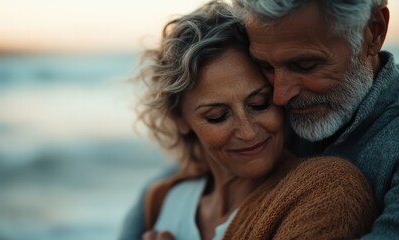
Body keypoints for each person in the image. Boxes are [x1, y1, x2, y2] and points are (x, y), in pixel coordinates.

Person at [118, 1, 377, 239]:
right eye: (217, 116)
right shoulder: (163, 198)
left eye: (259, 104)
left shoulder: (327, 190)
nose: (248, 132)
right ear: (179, 119)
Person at [232, 0, 399, 238]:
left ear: (374, 30)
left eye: (305, 65)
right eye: (265, 67)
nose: (280, 95)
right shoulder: (264, 110)